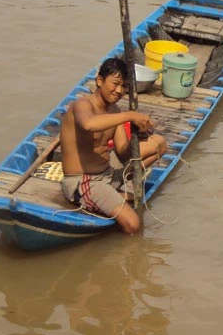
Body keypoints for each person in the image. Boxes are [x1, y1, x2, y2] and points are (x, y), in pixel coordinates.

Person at [60, 57, 167, 234]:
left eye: (124, 86)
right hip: (85, 181)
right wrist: (130, 115)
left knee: (159, 144)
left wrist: (137, 137)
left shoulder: (114, 111)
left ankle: (117, 193)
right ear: (100, 81)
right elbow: (89, 124)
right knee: (133, 224)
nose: (119, 91)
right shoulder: (82, 105)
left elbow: (124, 153)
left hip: (107, 172)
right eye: (115, 83)